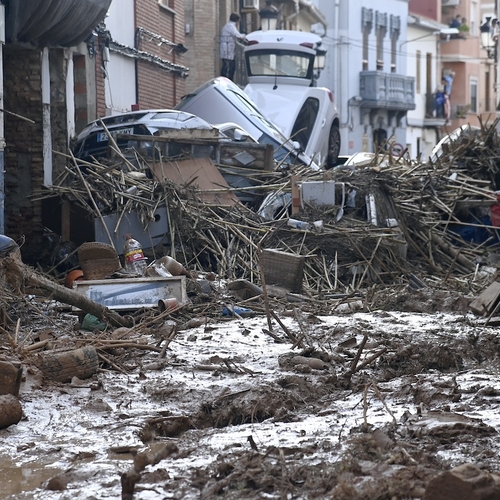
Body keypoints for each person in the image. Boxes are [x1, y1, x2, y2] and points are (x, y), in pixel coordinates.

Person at [220, 13, 246, 81]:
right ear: (237, 21)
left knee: (230, 66)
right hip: (227, 50)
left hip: (228, 50)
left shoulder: (229, 25)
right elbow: (238, 35)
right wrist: (244, 36)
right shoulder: (231, 26)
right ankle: (227, 80)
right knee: (228, 67)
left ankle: (228, 79)